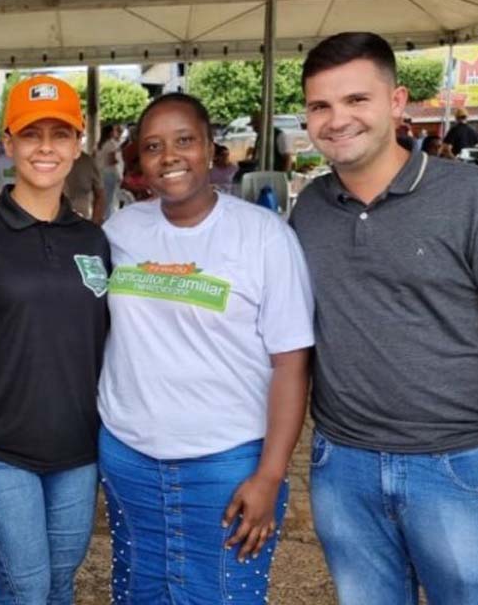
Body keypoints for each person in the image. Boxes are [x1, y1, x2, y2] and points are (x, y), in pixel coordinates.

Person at [290, 31, 478, 605]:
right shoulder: (310, 207)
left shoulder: (474, 196)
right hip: (344, 464)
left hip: (461, 465)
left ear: (397, 102)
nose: (338, 120)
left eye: (357, 100)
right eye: (321, 106)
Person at [97, 93, 315, 603]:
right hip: (129, 456)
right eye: (153, 146)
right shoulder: (120, 231)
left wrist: (271, 474)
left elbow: (291, 363)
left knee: (223, 592)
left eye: (184, 141)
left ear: (211, 148)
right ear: (140, 161)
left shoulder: (264, 236)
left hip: (228, 462)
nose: (169, 156)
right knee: (140, 592)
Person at [0, 75, 110, 605]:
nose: (46, 148)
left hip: (78, 451)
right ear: (7, 144)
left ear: (78, 145)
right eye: (31, 135)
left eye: (60, 134)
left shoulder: (92, 238)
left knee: (60, 586)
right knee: (25, 591)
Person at [63, 150, 105, 223]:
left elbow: (100, 195)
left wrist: (94, 223)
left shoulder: (88, 162)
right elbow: (100, 195)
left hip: (80, 217)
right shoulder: (88, 161)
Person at [95, 123, 123, 219]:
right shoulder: (111, 144)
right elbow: (111, 160)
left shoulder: (99, 144)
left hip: (101, 172)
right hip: (110, 172)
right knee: (110, 198)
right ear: (110, 132)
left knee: (103, 197)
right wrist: (117, 160)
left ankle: (102, 216)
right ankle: (108, 218)